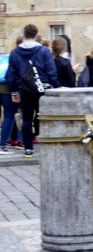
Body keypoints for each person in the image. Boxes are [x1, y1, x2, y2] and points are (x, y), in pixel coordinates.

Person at [6, 23, 60, 157]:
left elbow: (11, 74)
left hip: (24, 88)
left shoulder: (15, 52)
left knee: (27, 119)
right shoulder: (43, 51)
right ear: (36, 35)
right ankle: (46, 145)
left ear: (24, 35)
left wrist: (14, 91)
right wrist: (57, 86)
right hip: (43, 88)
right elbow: (51, 70)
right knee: (44, 118)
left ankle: (28, 148)